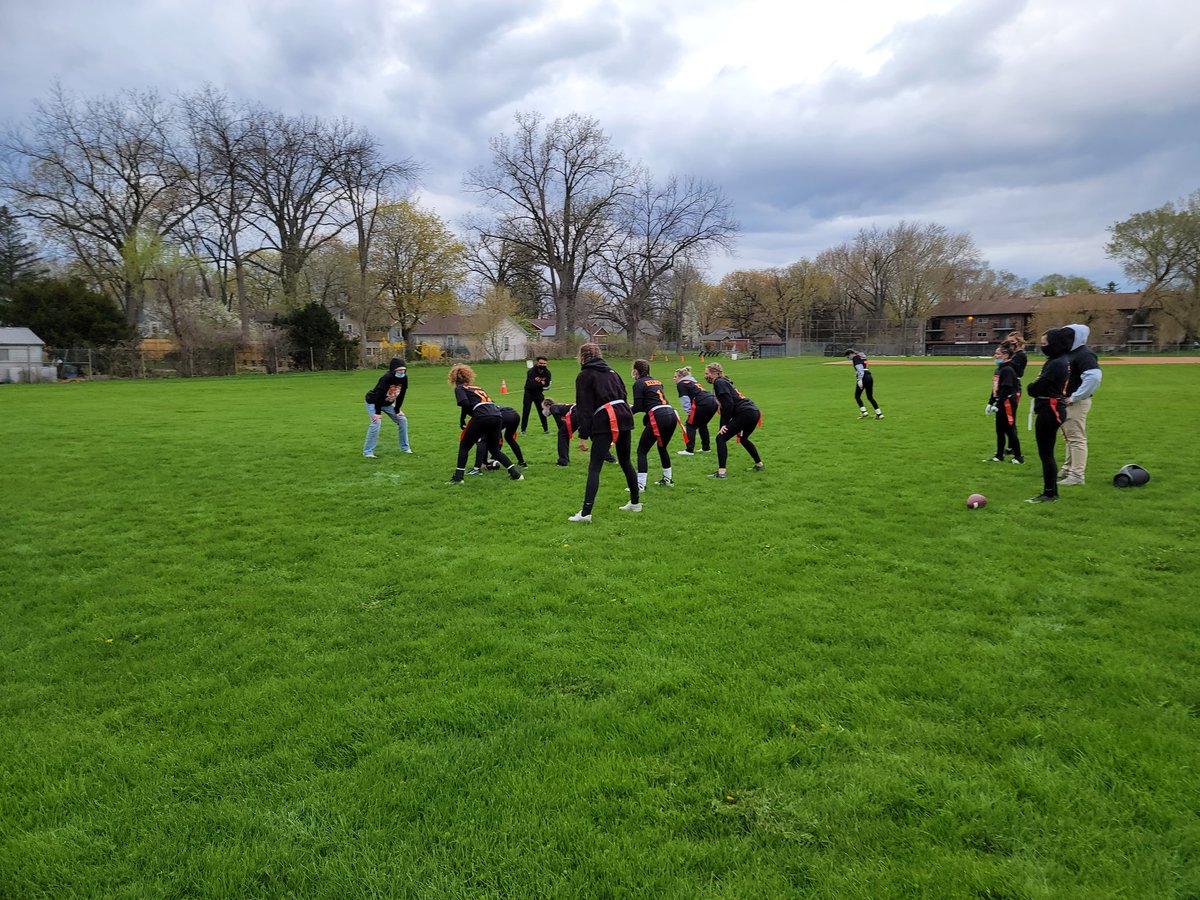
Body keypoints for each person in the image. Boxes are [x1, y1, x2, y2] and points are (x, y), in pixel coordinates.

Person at [568, 343, 640, 522]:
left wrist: (583, 435)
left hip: (606, 418)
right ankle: (635, 503)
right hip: (624, 415)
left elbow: (583, 407)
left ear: (582, 357)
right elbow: (623, 395)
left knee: (595, 467)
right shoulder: (613, 372)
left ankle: (585, 513)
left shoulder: (585, 375)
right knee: (625, 461)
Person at [447, 365, 523, 484]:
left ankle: (458, 477)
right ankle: (516, 474)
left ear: (453, 379)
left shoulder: (460, 388)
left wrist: (464, 419)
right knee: (494, 449)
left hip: (483, 415)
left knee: (465, 446)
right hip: (497, 415)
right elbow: (488, 402)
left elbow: (465, 404)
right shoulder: (477, 387)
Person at [1023, 328, 1074, 503]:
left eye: (1045, 344)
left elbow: (1035, 388)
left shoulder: (1055, 363)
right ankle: (1051, 491)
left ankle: (1050, 492)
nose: (1042, 346)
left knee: (1046, 453)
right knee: (1046, 453)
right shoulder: (1058, 361)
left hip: (1050, 409)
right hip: (1052, 407)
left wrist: (1032, 386)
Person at [1058, 323, 1102, 486]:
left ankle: (1077, 475)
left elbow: (1094, 377)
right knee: (1069, 438)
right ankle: (1068, 469)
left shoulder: (1084, 354)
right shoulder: (1070, 353)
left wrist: (1075, 396)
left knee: (1076, 438)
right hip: (1067, 401)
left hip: (1075, 403)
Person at [704, 362, 763, 478]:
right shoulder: (724, 381)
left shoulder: (719, 382)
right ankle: (759, 465)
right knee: (743, 438)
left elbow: (728, 405)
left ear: (715, 373)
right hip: (753, 411)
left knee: (720, 438)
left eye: (707, 373)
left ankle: (721, 473)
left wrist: (724, 425)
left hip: (745, 412)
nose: (706, 376)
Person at [631, 359, 679, 488]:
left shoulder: (638, 384)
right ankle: (668, 479)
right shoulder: (657, 381)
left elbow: (639, 406)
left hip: (659, 415)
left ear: (636, 370)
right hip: (671, 413)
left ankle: (640, 485)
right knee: (662, 447)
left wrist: (627, 411)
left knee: (642, 450)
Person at [543, 397, 615, 467]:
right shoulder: (562, 406)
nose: (543, 410)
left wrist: (566, 428)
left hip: (578, 414)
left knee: (562, 434)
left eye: (543, 408)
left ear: (547, 405)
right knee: (594, 436)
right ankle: (610, 458)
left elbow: (560, 424)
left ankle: (563, 461)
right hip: (587, 413)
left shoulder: (553, 407)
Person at [362, 357, 411, 458]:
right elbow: (379, 395)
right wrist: (377, 413)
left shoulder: (404, 378)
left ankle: (405, 448)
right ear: (394, 370)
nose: (402, 371)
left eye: (403, 369)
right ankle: (368, 452)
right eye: (399, 370)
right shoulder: (387, 378)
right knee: (376, 423)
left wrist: (397, 410)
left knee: (402, 419)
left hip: (388, 403)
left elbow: (401, 394)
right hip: (374, 402)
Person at [983, 345, 1024, 464]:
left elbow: (1006, 388)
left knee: (1010, 429)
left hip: (1007, 403)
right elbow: (996, 388)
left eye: (998, 354)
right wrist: (990, 402)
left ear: (1006, 355)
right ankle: (999, 454)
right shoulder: (999, 369)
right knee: (999, 430)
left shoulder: (1008, 370)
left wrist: (999, 404)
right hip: (1000, 402)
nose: (995, 356)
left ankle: (1018, 456)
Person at [468, 405, 526, 474]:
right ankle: (522, 463)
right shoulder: (488, 408)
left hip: (503, 416)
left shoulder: (482, 415)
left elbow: (497, 441)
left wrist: (486, 461)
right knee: (509, 438)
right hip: (515, 414)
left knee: (483, 440)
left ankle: (477, 468)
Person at [673, 365, 717, 455]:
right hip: (713, 401)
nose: (674, 379)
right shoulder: (691, 381)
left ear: (681, 377)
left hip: (703, 403)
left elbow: (685, 399)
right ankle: (706, 448)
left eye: (675, 376)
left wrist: (690, 413)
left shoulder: (681, 384)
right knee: (702, 424)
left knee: (690, 425)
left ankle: (689, 450)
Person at [845, 349, 883, 419]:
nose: (849, 358)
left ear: (850, 354)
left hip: (863, 378)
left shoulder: (855, 358)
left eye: (848, 357)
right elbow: (865, 366)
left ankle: (864, 412)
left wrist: (859, 379)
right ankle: (879, 414)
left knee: (857, 396)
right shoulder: (863, 356)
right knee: (870, 397)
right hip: (869, 376)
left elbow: (860, 369)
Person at [521, 356, 552, 434]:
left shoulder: (547, 373)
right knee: (526, 411)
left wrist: (540, 384)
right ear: (537, 363)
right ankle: (523, 430)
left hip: (539, 394)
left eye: (544, 363)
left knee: (543, 411)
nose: (543, 365)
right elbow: (531, 385)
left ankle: (546, 429)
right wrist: (541, 384)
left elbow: (547, 385)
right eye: (541, 363)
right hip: (529, 393)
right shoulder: (531, 372)